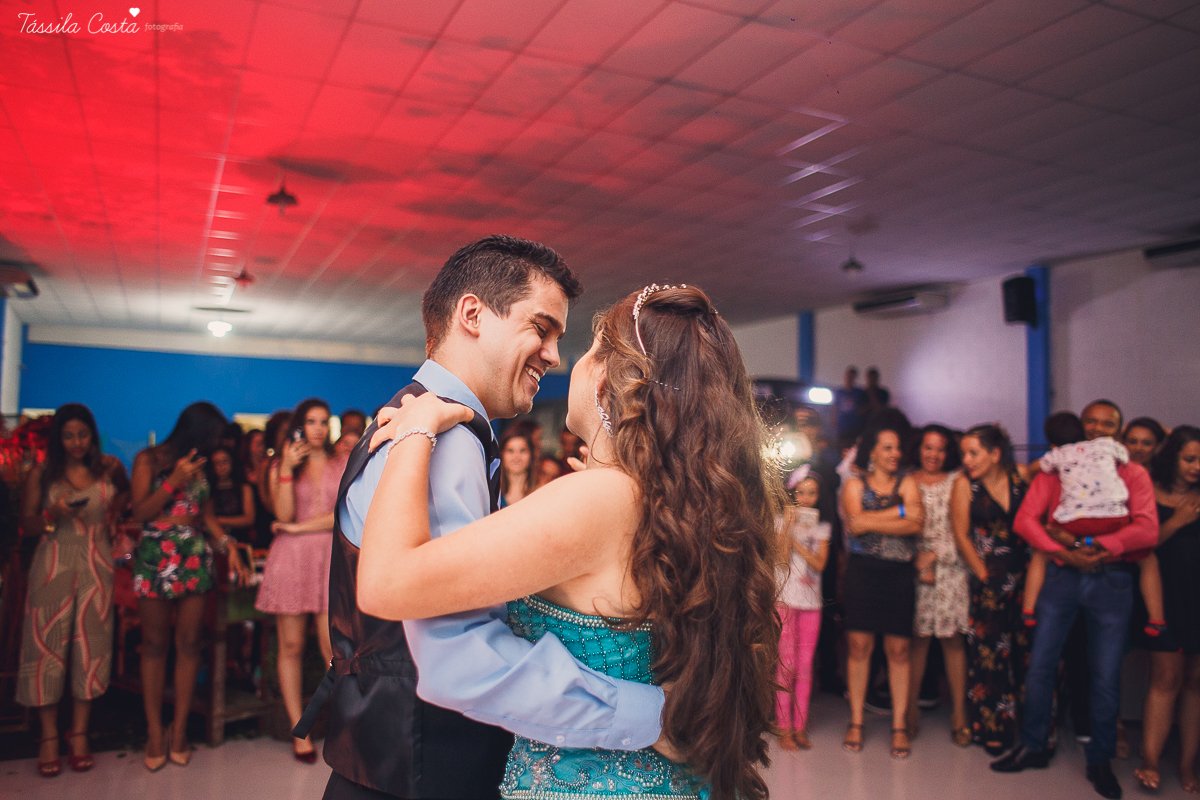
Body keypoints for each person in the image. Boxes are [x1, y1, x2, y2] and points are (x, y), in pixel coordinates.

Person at [359, 281, 781, 800]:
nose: (563, 361)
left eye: (586, 348)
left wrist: (415, 430)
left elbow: (385, 583)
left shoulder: (600, 499)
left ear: (605, 376)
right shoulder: (667, 501)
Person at [295, 236, 676, 800]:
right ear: (472, 314)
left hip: (395, 757)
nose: (553, 355)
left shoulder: (435, 426)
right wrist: (649, 715)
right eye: (541, 328)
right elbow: (460, 651)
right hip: (419, 767)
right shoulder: (441, 440)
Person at [995, 403, 1159, 800]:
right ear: (1081, 427)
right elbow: (1025, 520)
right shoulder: (1057, 469)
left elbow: (1148, 530)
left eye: (1108, 423)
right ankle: (1034, 746)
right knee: (1041, 666)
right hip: (1061, 576)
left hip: (1112, 580)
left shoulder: (1131, 473)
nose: (1098, 428)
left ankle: (1100, 760)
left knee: (1106, 675)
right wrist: (1063, 553)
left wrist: (1093, 544)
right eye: (1092, 421)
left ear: (1118, 431)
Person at [129, 402, 250, 771]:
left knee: (190, 643)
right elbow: (139, 513)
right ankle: (154, 731)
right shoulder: (148, 459)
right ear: (195, 432)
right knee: (154, 644)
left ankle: (179, 729)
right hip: (155, 554)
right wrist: (173, 480)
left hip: (193, 556)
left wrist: (228, 545)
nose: (217, 445)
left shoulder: (203, 465)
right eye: (213, 437)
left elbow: (207, 516)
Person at [17, 404, 130, 777]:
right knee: (45, 648)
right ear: (58, 438)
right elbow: (27, 525)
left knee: (92, 650)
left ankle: (79, 734)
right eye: (68, 436)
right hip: (53, 563)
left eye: (83, 434)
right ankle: (49, 736)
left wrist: (115, 516)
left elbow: (126, 497)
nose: (77, 442)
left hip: (97, 564)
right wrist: (52, 514)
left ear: (92, 435)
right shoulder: (42, 473)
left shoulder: (108, 469)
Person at [257, 397, 348, 762]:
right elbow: (282, 513)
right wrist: (285, 468)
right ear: (299, 426)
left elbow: (342, 513)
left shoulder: (342, 462)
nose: (319, 428)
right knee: (291, 646)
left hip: (328, 557)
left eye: (324, 421)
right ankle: (300, 730)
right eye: (311, 421)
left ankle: (345, 728)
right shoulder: (281, 465)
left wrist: (297, 528)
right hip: (291, 561)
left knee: (333, 649)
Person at [840, 423, 924, 758]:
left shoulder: (908, 482)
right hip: (862, 573)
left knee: (899, 650)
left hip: (898, 575)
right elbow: (854, 525)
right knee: (859, 647)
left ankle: (899, 725)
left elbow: (916, 523)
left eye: (897, 448)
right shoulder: (854, 484)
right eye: (888, 447)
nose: (895, 454)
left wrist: (871, 519)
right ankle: (856, 721)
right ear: (872, 451)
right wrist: (900, 512)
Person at [955, 424, 1029, 755]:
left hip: (1028, 576)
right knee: (989, 653)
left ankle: (1032, 726)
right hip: (989, 580)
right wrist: (984, 575)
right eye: (964, 454)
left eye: (974, 453)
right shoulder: (964, 485)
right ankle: (992, 726)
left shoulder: (1021, 476)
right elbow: (961, 534)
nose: (967, 460)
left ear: (995, 454)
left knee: (1027, 651)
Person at [1134, 426, 1200, 793]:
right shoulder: (1150, 490)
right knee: (1166, 678)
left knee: (1195, 681)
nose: (1197, 466)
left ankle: (1187, 763)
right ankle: (1150, 759)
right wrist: (1177, 522)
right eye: (1190, 458)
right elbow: (1140, 545)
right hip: (1164, 598)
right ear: (1173, 456)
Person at [905, 424, 970, 746]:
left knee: (952, 641)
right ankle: (909, 711)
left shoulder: (957, 481)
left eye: (941, 449)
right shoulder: (907, 480)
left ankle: (960, 714)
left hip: (950, 569)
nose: (933, 454)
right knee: (917, 642)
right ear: (919, 448)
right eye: (928, 447)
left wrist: (934, 555)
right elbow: (902, 523)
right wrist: (918, 559)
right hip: (915, 569)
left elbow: (963, 531)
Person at [775, 467, 831, 751]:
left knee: (805, 666)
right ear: (791, 493)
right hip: (784, 600)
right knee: (785, 664)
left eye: (812, 493)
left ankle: (800, 726)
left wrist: (799, 541)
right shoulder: (778, 522)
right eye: (800, 492)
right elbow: (779, 558)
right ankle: (783, 727)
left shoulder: (822, 527)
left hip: (812, 602)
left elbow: (820, 564)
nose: (806, 498)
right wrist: (787, 525)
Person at [208, 447, 255, 544]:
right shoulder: (208, 490)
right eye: (217, 463)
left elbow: (249, 519)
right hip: (214, 541)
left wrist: (217, 520)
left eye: (225, 461)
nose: (221, 466)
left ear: (232, 462)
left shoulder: (244, 487)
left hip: (240, 539)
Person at [498, 428, 535, 506]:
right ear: (502, 455)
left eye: (522, 450)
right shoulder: (492, 494)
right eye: (510, 451)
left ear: (531, 455)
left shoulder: (541, 492)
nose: (516, 457)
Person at [833, 366, 868, 441]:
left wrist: (859, 414)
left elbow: (865, 406)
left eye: (852, 376)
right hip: (842, 425)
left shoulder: (859, 392)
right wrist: (834, 418)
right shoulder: (839, 392)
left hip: (854, 426)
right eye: (849, 376)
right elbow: (835, 407)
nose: (850, 378)